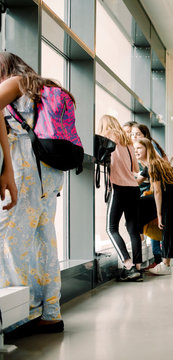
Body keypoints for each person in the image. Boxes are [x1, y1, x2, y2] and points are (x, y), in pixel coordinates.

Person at [0, 52, 64, 335]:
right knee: (44, 240)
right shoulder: (42, 86)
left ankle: (18, 316)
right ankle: (50, 312)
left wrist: (8, 170)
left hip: (26, 165)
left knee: (11, 240)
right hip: (50, 169)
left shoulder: (15, 82)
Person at [97, 115, 142, 281]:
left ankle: (128, 265)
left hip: (118, 187)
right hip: (133, 187)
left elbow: (102, 160)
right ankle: (138, 267)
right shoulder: (128, 142)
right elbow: (135, 168)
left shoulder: (107, 137)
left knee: (111, 228)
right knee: (133, 230)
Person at [134, 138, 173, 275]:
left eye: (139, 148)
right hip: (168, 194)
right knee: (138, 206)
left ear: (147, 149)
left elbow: (157, 191)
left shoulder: (154, 164)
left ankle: (166, 265)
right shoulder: (148, 166)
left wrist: (159, 215)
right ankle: (139, 245)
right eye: (135, 148)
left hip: (171, 195)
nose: (135, 150)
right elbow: (136, 182)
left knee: (169, 226)